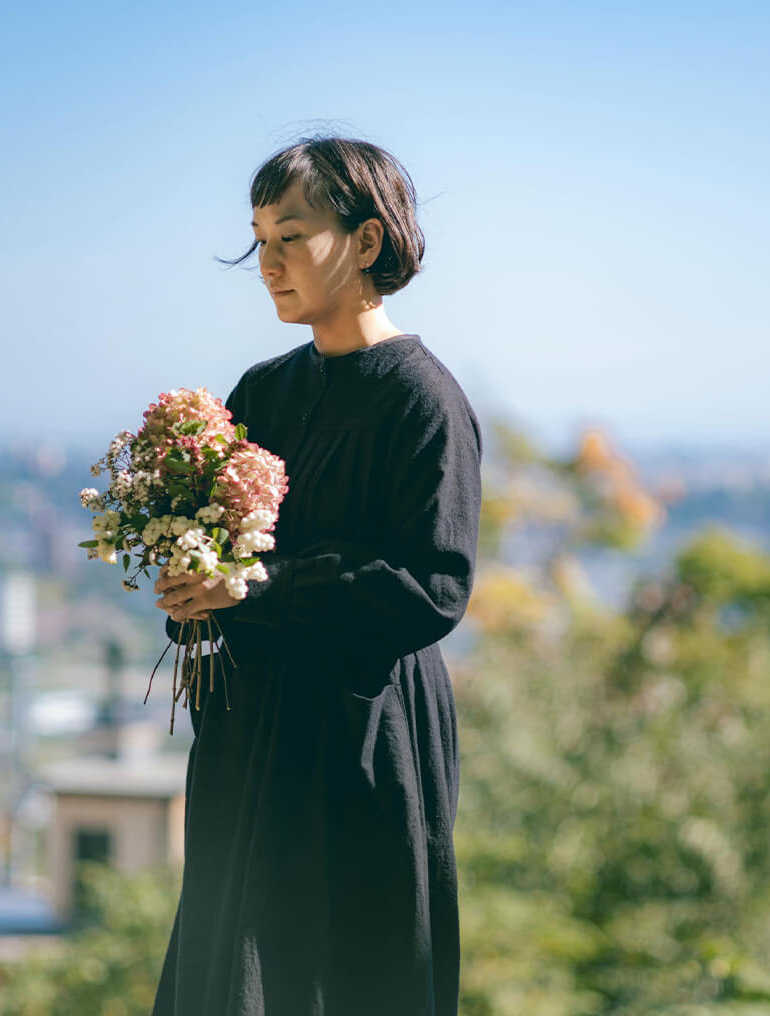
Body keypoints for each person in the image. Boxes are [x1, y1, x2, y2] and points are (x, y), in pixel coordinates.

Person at [149, 136, 483, 1016]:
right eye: (257, 240)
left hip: (362, 740)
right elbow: (224, 560)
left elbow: (432, 589)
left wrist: (255, 588)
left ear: (366, 242)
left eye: (290, 236)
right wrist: (190, 591)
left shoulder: (424, 400)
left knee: (339, 973)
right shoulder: (261, 389)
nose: (268, 264)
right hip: (251, 730)